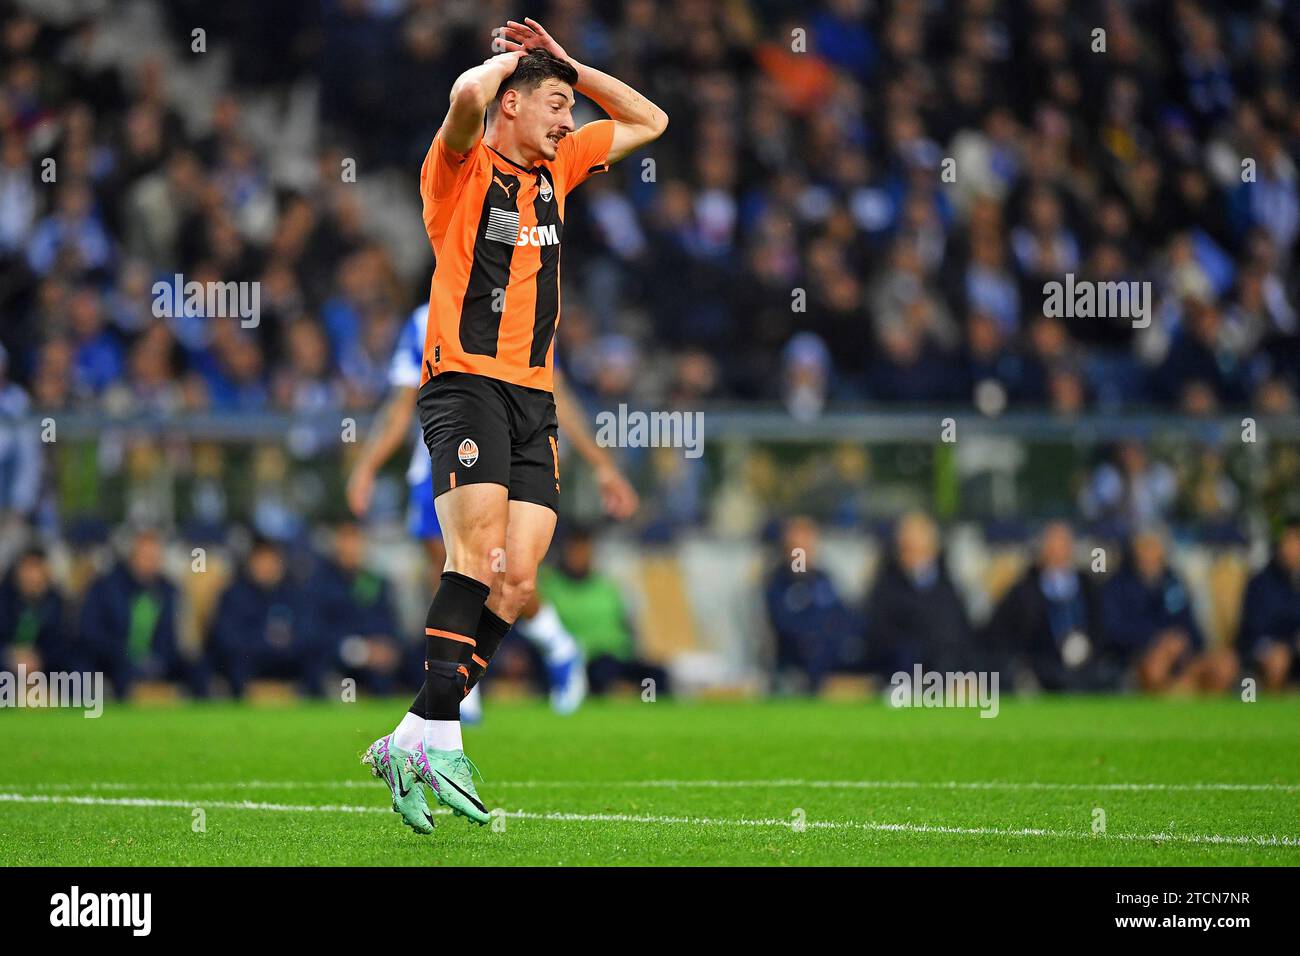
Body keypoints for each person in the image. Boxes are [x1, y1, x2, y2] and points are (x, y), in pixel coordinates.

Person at [360, 18, 667, 835]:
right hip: (463, 384)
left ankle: (408, 735)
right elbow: (465, 94)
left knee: (520, 580)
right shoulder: (457, 169)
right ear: (513, 106)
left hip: (535, 400)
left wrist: (574, 69)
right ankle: (447, 735)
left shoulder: (557, 166)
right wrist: (512, 66)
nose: (571, 122)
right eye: (557, 106)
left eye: (571, 109)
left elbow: (650, 122)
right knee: (476, 551)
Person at [346, 303, 638, 720]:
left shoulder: (523, 302)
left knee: (504, 576)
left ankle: (556, 644)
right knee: (447, 570)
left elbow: (557, 392)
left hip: (501, 454)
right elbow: (400, 402)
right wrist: (367, 465)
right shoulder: (424, 319)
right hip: (440, 451)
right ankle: (460, 689)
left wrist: (601, 462)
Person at [982, 521, 1119, 691]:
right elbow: (1001, 632)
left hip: (1086, 665)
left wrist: (1088, 645)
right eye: (1052, 547)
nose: (1057, 553)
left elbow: (1102, 625)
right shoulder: (1025, 590)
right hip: (1040, 666)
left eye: (1062, 546)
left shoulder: (1088, 587)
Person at [1101, 527, 1237, 693]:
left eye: (1155, 547)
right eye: (1145, 547)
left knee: (1224, 664)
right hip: (1141, 655)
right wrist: (1158, 640)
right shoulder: (1117, 585)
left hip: (1183, 655)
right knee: (1157, 666)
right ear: (1134, 551)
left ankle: (1208, 713)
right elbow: (1114, 631)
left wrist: (1182, 641)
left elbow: (1191, 626)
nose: (1150, 553)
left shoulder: (1174, 582)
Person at [538, 524, 666, 696]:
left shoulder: (607, 586)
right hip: (584, 661)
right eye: (575, 551)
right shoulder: (550, 587)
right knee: (603, 674)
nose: (580, 557)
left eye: (584, 550)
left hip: (618, 657)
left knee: (656, 676)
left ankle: (648, 716)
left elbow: (625, 624)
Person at [77, 528, 196, 698]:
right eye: (145, 556)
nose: (151, 562)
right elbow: (91, 633)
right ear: (132, 557)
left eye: (155, 557)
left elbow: (172, 638)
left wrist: (158, 660)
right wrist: (126, 657)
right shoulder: (106, 587)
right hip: (114, 660)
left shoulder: (169, 591)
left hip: (158, 662)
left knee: (196, 669)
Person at [208, 536, 322, 698]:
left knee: (314, 663)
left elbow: (308, 632)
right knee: (234, 666)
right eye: (262, 560)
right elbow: (225, 637)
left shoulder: (294, 593)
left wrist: (284, 646)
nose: (267, 566)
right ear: (251, 563)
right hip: (251, 659)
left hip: (287, 658)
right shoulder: (234, 594)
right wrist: (265, 643)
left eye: (272, 561)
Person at [865, 511, 973, 677]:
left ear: (933, 549)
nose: (913, 558)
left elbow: (960, 637)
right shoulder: (885, 590)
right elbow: (880, 640)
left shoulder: (949, 591)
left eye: (918, 550)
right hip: (901, 674)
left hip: (947, 673)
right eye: (906, 550)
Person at [763, 516, 865, 692]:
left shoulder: (823, 579)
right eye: (796, 549)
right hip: (797, 658)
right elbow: (783, 623)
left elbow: (843, 616)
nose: (801, 553)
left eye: (806, 546)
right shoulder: (778, 583)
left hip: (831, 652)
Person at [1240, 519, 1300, 690]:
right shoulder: (1260, 583)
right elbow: (1254, 631)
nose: (1293, 549)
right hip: (1265, 653)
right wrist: (1289, 645)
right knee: (1278, 660)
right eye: (1288, 541)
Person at [0, 547, 69, 674]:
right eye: (27, 567)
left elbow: (61, 644)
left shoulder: (56, 602)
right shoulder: (5, 598)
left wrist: (39, 658)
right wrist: (9, 656)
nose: (31, 575)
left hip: (45, 668)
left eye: (36, 567)